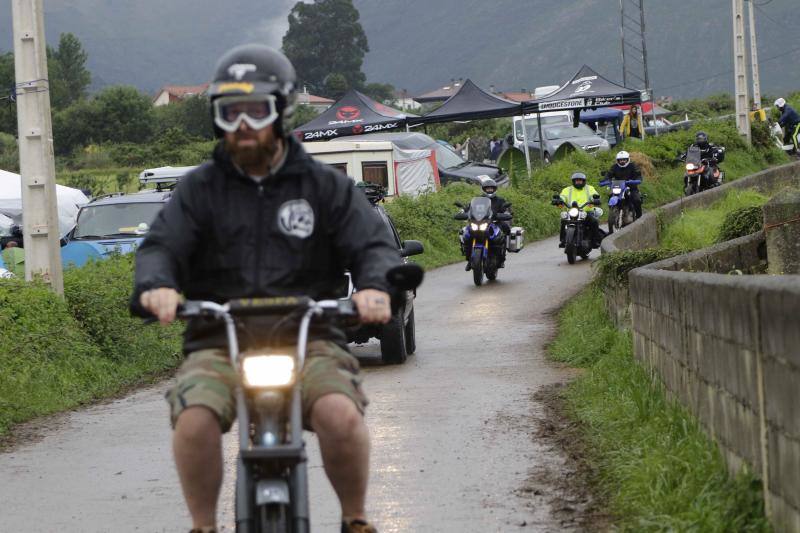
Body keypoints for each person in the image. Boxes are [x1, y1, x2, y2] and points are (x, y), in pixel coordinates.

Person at [130, 44, 400, 533]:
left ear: (282, 111)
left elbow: (372, 244)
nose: (243, 125)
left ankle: (355, 519)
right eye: (230, 113)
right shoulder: (198, 190)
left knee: (340, 414)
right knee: (193, 419)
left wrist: (375, 287)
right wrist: (157, 285)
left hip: (312, 335)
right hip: (219, 338)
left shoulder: (324, 186)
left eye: (255, 111)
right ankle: (203, 526)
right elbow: (161, 246)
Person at [463, 177, 511, 270]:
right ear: (484, 189)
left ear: (494, 189)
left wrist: (505, 213)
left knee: (505, 229)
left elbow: (505, 209)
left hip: (495, 222)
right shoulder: (478, 199)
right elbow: (470, 208)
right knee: (466, 235)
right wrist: (465, 211)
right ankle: (469, 260)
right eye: (487, 188)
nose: (489, 190)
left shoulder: (500, 200)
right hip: (479, 222)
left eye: (491, 188)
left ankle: (502, 255)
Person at [557, 172, 603, 247]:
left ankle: (595, 241)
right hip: (572, 211)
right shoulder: (567, 189)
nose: (578, 182)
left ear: (583, 181)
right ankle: (563, 240)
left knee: (594, 221)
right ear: (573, 181)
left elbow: (594, 195)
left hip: (586, 212)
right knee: (563, 221)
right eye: (576, 181)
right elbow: (563, 196)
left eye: (580, 180)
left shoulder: (589, 188)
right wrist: (559, 200)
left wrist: (595, 199)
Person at [605, 150, 643, 218]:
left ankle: (638, 215)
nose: (622, 161)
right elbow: (609, 174)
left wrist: (637, 180)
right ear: (618, 160)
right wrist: (607, 180)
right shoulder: (614, 167)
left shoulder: (632, 166)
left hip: (631, 186)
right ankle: (613, 212)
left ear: (627, 159)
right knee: (611, 196)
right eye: (620, 160)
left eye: (624, 160)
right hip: (618, 186)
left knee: (636, 199)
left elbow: (638, 174)